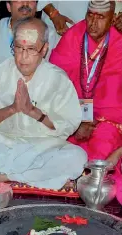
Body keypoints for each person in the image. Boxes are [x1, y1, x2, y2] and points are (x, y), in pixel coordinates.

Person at [0, 17, 87, 189]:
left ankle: (0, 176)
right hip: (5, 144)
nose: (23, 57)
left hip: (44, 147)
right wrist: (13, 109)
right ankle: (31, 178)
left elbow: (68, 126)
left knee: (77, 157)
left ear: (44, 49)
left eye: (31, 49)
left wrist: (32, 111)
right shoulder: (2, 72)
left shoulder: (58, 79)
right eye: (19, 48)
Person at [50, 1, 122, 194]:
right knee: (59, 151)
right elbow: (56, 83)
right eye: (90, 15)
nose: (93, 23)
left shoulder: (119, 43)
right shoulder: (73, 36)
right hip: (72, 116)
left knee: (102, 147)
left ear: (112, 19)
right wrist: (77, 120)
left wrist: (94, 121)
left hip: (107, 121)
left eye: (100, 18)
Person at [0, 0, 37, 97]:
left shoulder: (47, 34)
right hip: (0, 104)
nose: (25, 4)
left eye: (30, 0)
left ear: (36, 6)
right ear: (8, 6)